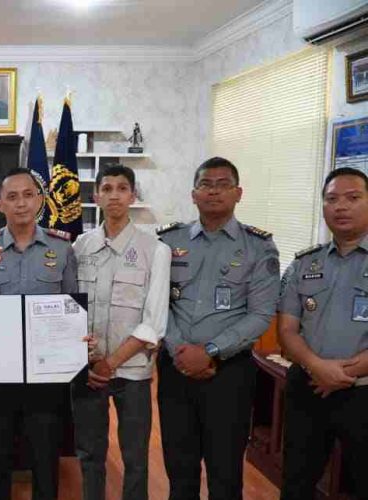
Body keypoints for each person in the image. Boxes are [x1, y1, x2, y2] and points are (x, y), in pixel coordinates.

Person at [157, 156, 280, 500]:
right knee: (179, 470)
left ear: (238, 193)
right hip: (175, 368)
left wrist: (210, 352)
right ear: (193, 194)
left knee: (225, 474)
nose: (214, 192)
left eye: (223, 185)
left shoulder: (258, 247)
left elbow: (261, 314)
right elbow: (157, 304)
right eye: (206, 185)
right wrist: (179, 350)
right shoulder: (167, 241)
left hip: (229, 373)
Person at [0, 167, 77, 500]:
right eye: (12, 197)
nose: (21, 203)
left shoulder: (62, 248)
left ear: (40, 200)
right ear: (0, 205)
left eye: (28, 195)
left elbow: (73, 306)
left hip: (46, 374)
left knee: (45, 457)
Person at [70, 165, 170, 500]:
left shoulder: (155, 250)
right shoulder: (79, 247)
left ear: (133, 195)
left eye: (122, 188)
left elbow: (153, 322)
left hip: (132, 372)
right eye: (107, 188)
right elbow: (69, 311)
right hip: (88, 370)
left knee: (136, 458)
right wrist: (86, 360)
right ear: (96, 195)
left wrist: (110, 363)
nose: (114, 195)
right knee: (89, 454)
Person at [277, 167, 368, 500]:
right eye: (331, 199)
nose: (340, 206)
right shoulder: (304, 263)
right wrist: (318, 367)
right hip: (308, 388)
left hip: (363, 393)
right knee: (296, 483)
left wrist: (343, 373)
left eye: (352, 198)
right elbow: (287, 329)